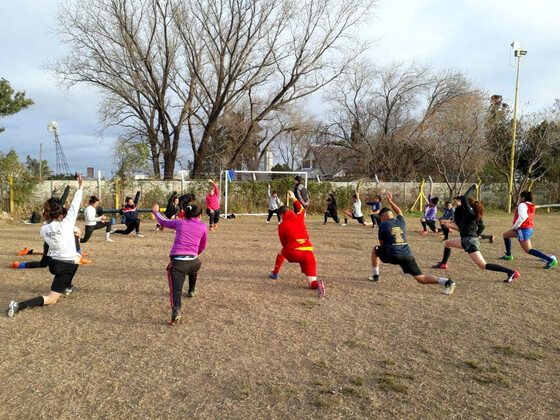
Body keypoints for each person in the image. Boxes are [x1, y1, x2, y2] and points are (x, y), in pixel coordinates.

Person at [8, 174, 84, 317]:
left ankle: (67, 286)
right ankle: (18, 305)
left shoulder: (44, 229)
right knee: (51, 299)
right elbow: (75, 205)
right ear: (61, 215)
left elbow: (60, 218)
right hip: (64, 266)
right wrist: (79, 188)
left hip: (53, 264)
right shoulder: (66, 225)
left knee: (76, 258)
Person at [369, 193, 456, 295]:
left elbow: (382, 244)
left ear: (383, 216)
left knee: (375, 250)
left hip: (392, 254)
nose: (381, 220)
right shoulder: (401, 221)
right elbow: (399, 212)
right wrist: (390, 202)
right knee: (421, 279)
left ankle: (375, 276)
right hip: (407, 255)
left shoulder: (383, 225)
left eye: (381, 218)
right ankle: (447, 281)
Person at [432, 184, 520, 282]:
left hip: (469, 241)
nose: (465, 204)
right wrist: (477, 235)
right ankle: (443, 263)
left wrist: (474, 187)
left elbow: (465, 198)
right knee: (448, 243)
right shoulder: (476, 215)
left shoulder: (470, 213)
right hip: (467, 239)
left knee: (483, 265)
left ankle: (511, 272)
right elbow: (482, 226)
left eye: (467, 204)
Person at [152, 202, 208, 325]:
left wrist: (156, 212)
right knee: (194, 267)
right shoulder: (203, 226)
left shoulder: (180, 222)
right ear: (200, 215)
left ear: (185, 213)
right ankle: (192, 290)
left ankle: (176, 310)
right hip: (194, 261)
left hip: (178, 264)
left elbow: (164, 222)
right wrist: (194, 254)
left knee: (175, 291)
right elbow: (202, 246)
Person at [269, 190, 325, 298]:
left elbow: (283, 243)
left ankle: (275, 273)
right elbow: (301, 208)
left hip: (294, 251)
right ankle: (318, 284)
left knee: (281, 252)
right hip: (308, 253)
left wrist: (289, 250)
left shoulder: (282, 225)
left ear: (281, 215)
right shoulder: (300, 217)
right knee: (311, 283)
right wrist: (294, 198)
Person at [500, 191, 557, 269]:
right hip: (528, 228)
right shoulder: (530, 205)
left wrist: (515, 227)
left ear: (523, 198)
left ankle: (550, 260)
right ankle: (508, 255)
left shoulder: (522, 205)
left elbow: (522, 217)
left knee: (528, 250)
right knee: (506, 235)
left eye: (520, 197)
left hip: (522, 230)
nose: (519, 198)